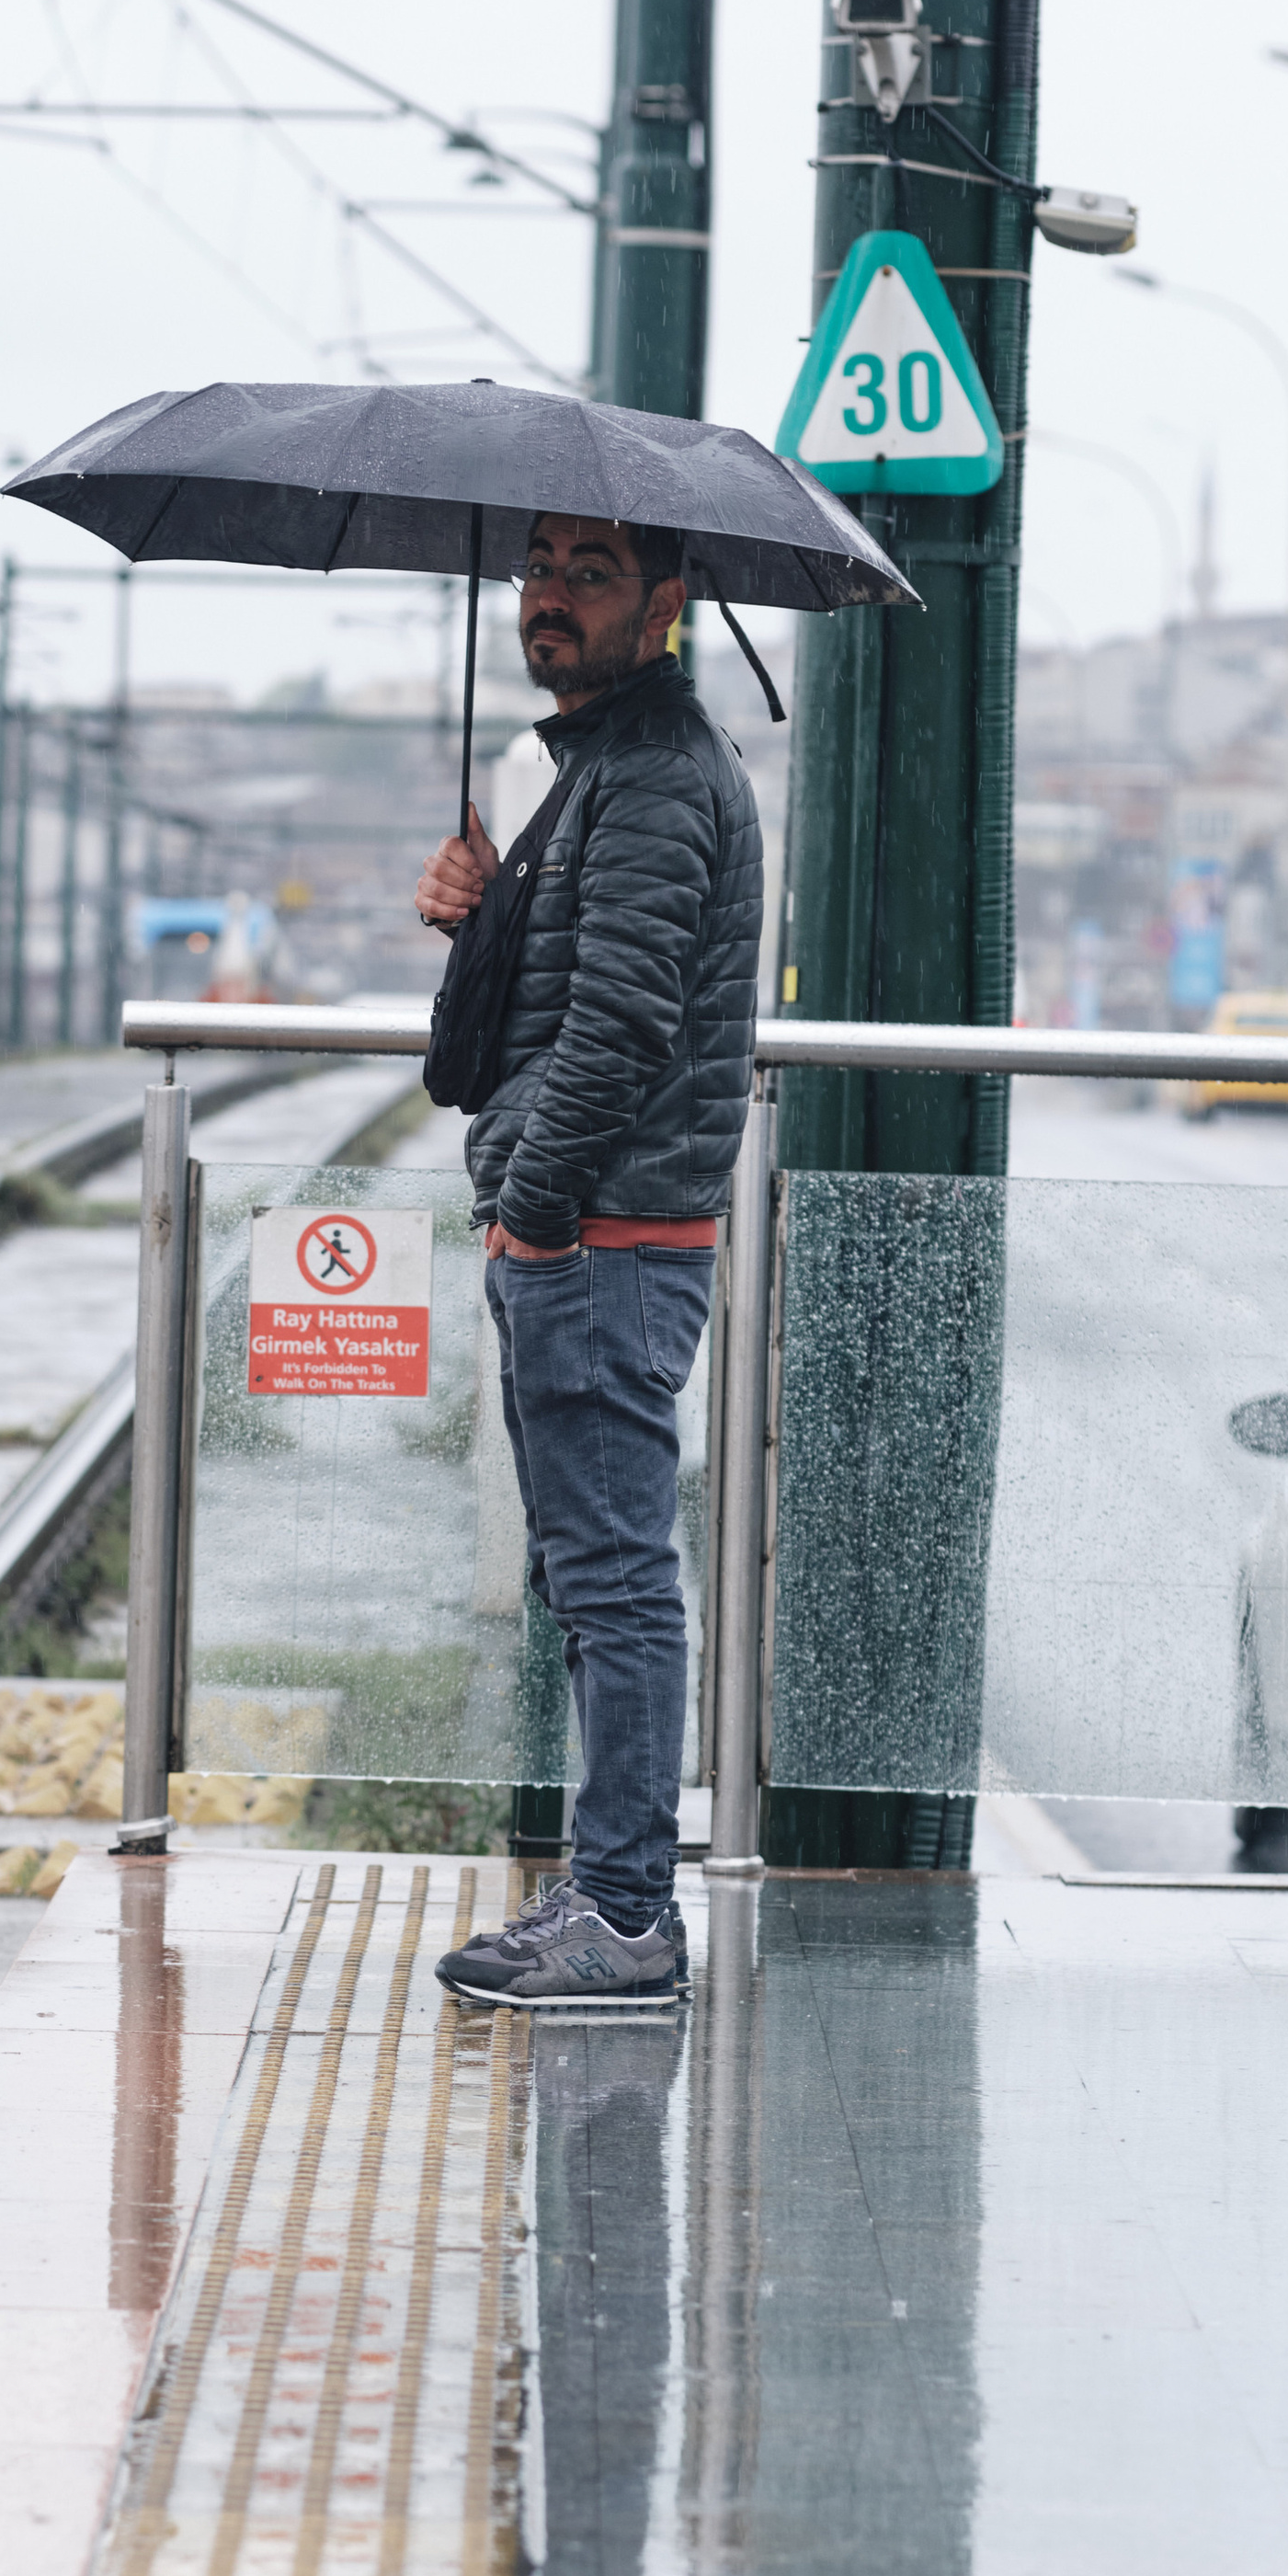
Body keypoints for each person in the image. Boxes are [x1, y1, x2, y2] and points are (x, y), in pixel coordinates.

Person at [417, 513, 762, 2010]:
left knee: (616, 1586)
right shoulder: (604, 772)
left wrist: (538, 1213)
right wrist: (482, 911)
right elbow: (567, 991)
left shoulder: (657, 784)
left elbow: (621, 1029)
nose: (549, 598)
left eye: (591, 575)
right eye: (536, 570)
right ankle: (604, 1890)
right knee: (591, 1575)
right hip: (591, 1231)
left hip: (604, 1242)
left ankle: (624, 1916)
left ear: (666, 607)